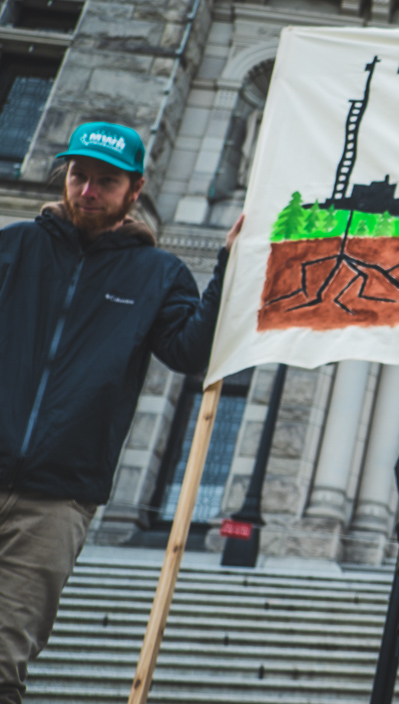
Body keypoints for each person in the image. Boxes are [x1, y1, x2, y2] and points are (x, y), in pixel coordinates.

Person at [0, 122, 238, 703]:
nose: (86, 191)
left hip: (56, 501)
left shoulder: (157, 274)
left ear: (135, 190)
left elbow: (190, 352)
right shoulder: (13, 246)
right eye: (79, 176)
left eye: (105, 182)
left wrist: (229, 266)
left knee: (4, 659)